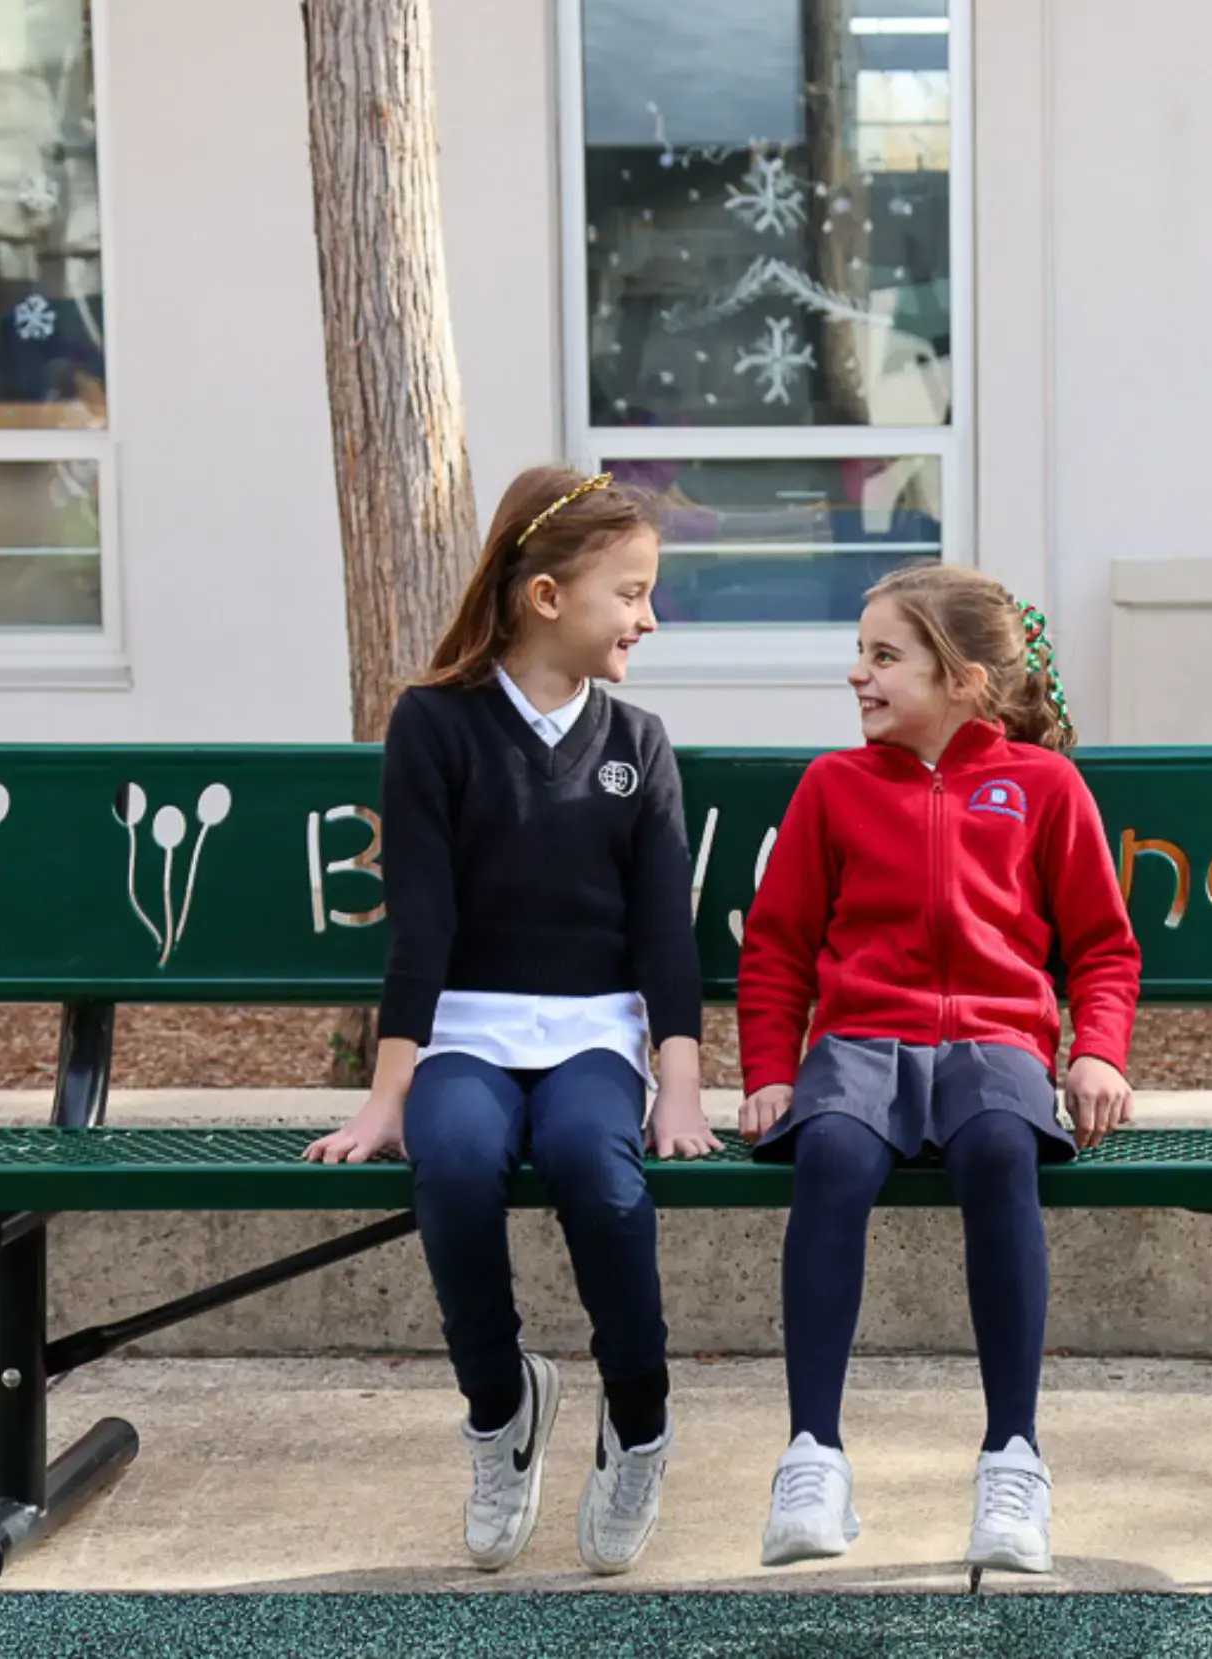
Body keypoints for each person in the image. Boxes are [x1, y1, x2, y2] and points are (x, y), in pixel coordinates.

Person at [304, 467, 720, 1576]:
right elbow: (422, 925)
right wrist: (388, 1097)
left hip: (594, 1036)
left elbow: (661, 940)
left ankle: (638, 1420)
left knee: (596, 1163)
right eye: (629, 593)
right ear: (545, 597)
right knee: (454, 1161)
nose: (647, 617)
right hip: (467, 1035)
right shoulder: (436, 727)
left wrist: (676, 1085)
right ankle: (501, 1406)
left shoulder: (640, 741)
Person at [735, 563, 1142, 1575]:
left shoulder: (1044, 787)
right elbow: (779, 946)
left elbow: (1101, 947)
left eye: (883, 657)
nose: (858, 677)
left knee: (1004, 1149)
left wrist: (1094, 1050)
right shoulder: (831, 787)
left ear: (961, 679)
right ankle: (811, 1455)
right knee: (828, 1155)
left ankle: (1013, 1461)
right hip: (861, 1045)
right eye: (859, 654)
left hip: (995, 1046)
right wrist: (770, 1070)